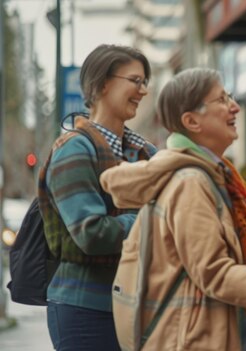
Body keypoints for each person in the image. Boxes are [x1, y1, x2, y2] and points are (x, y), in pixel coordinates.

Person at [100, 67, 246, 350]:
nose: (234, 107)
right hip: (199, 339)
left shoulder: (209, 171)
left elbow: (203, 250)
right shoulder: (191, 182)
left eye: (230, 97)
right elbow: (214, 273)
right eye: (221, 100)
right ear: (192, 120)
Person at [38, 44, 158, 350]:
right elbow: (90, 233)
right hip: (86, 311)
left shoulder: (146, 154)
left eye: (145, 82)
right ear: (103, 83)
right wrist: (154, 222)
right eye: (135, 80)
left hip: (139, 303)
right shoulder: (74, 149)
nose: (142, 91)